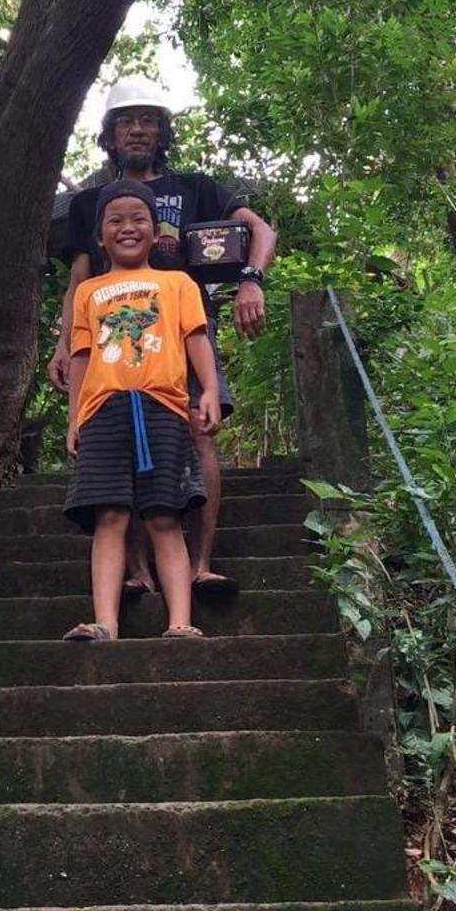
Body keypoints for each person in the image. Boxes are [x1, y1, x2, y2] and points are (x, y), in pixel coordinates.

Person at [49, 76, 276, 596]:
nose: (137, 130)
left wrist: (251, 282)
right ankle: (136, 572)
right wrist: (65, 345)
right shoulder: (88, 204)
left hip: (185, 329)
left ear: (162, 131)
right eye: (126, 120)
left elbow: (260, 231)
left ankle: (199, 564)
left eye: (148, 120)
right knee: (116, 443)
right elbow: (79, 282)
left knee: (199, 433)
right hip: (109, 343)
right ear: (108, 134)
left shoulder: (196, 189)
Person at [62, 180, 221, 641]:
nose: (127, 228)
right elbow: (81, 357)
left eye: (139, 219)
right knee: (109, 516)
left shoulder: (177, 283)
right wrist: (74, 418)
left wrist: (208, 390)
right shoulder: (89, 292)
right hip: (102, 411)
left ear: (156, 232)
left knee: (164, 516)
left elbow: (196, 338)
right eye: (115, 220)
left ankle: (180, 622)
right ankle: (105, 623)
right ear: (100, 235)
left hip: (162, 408)